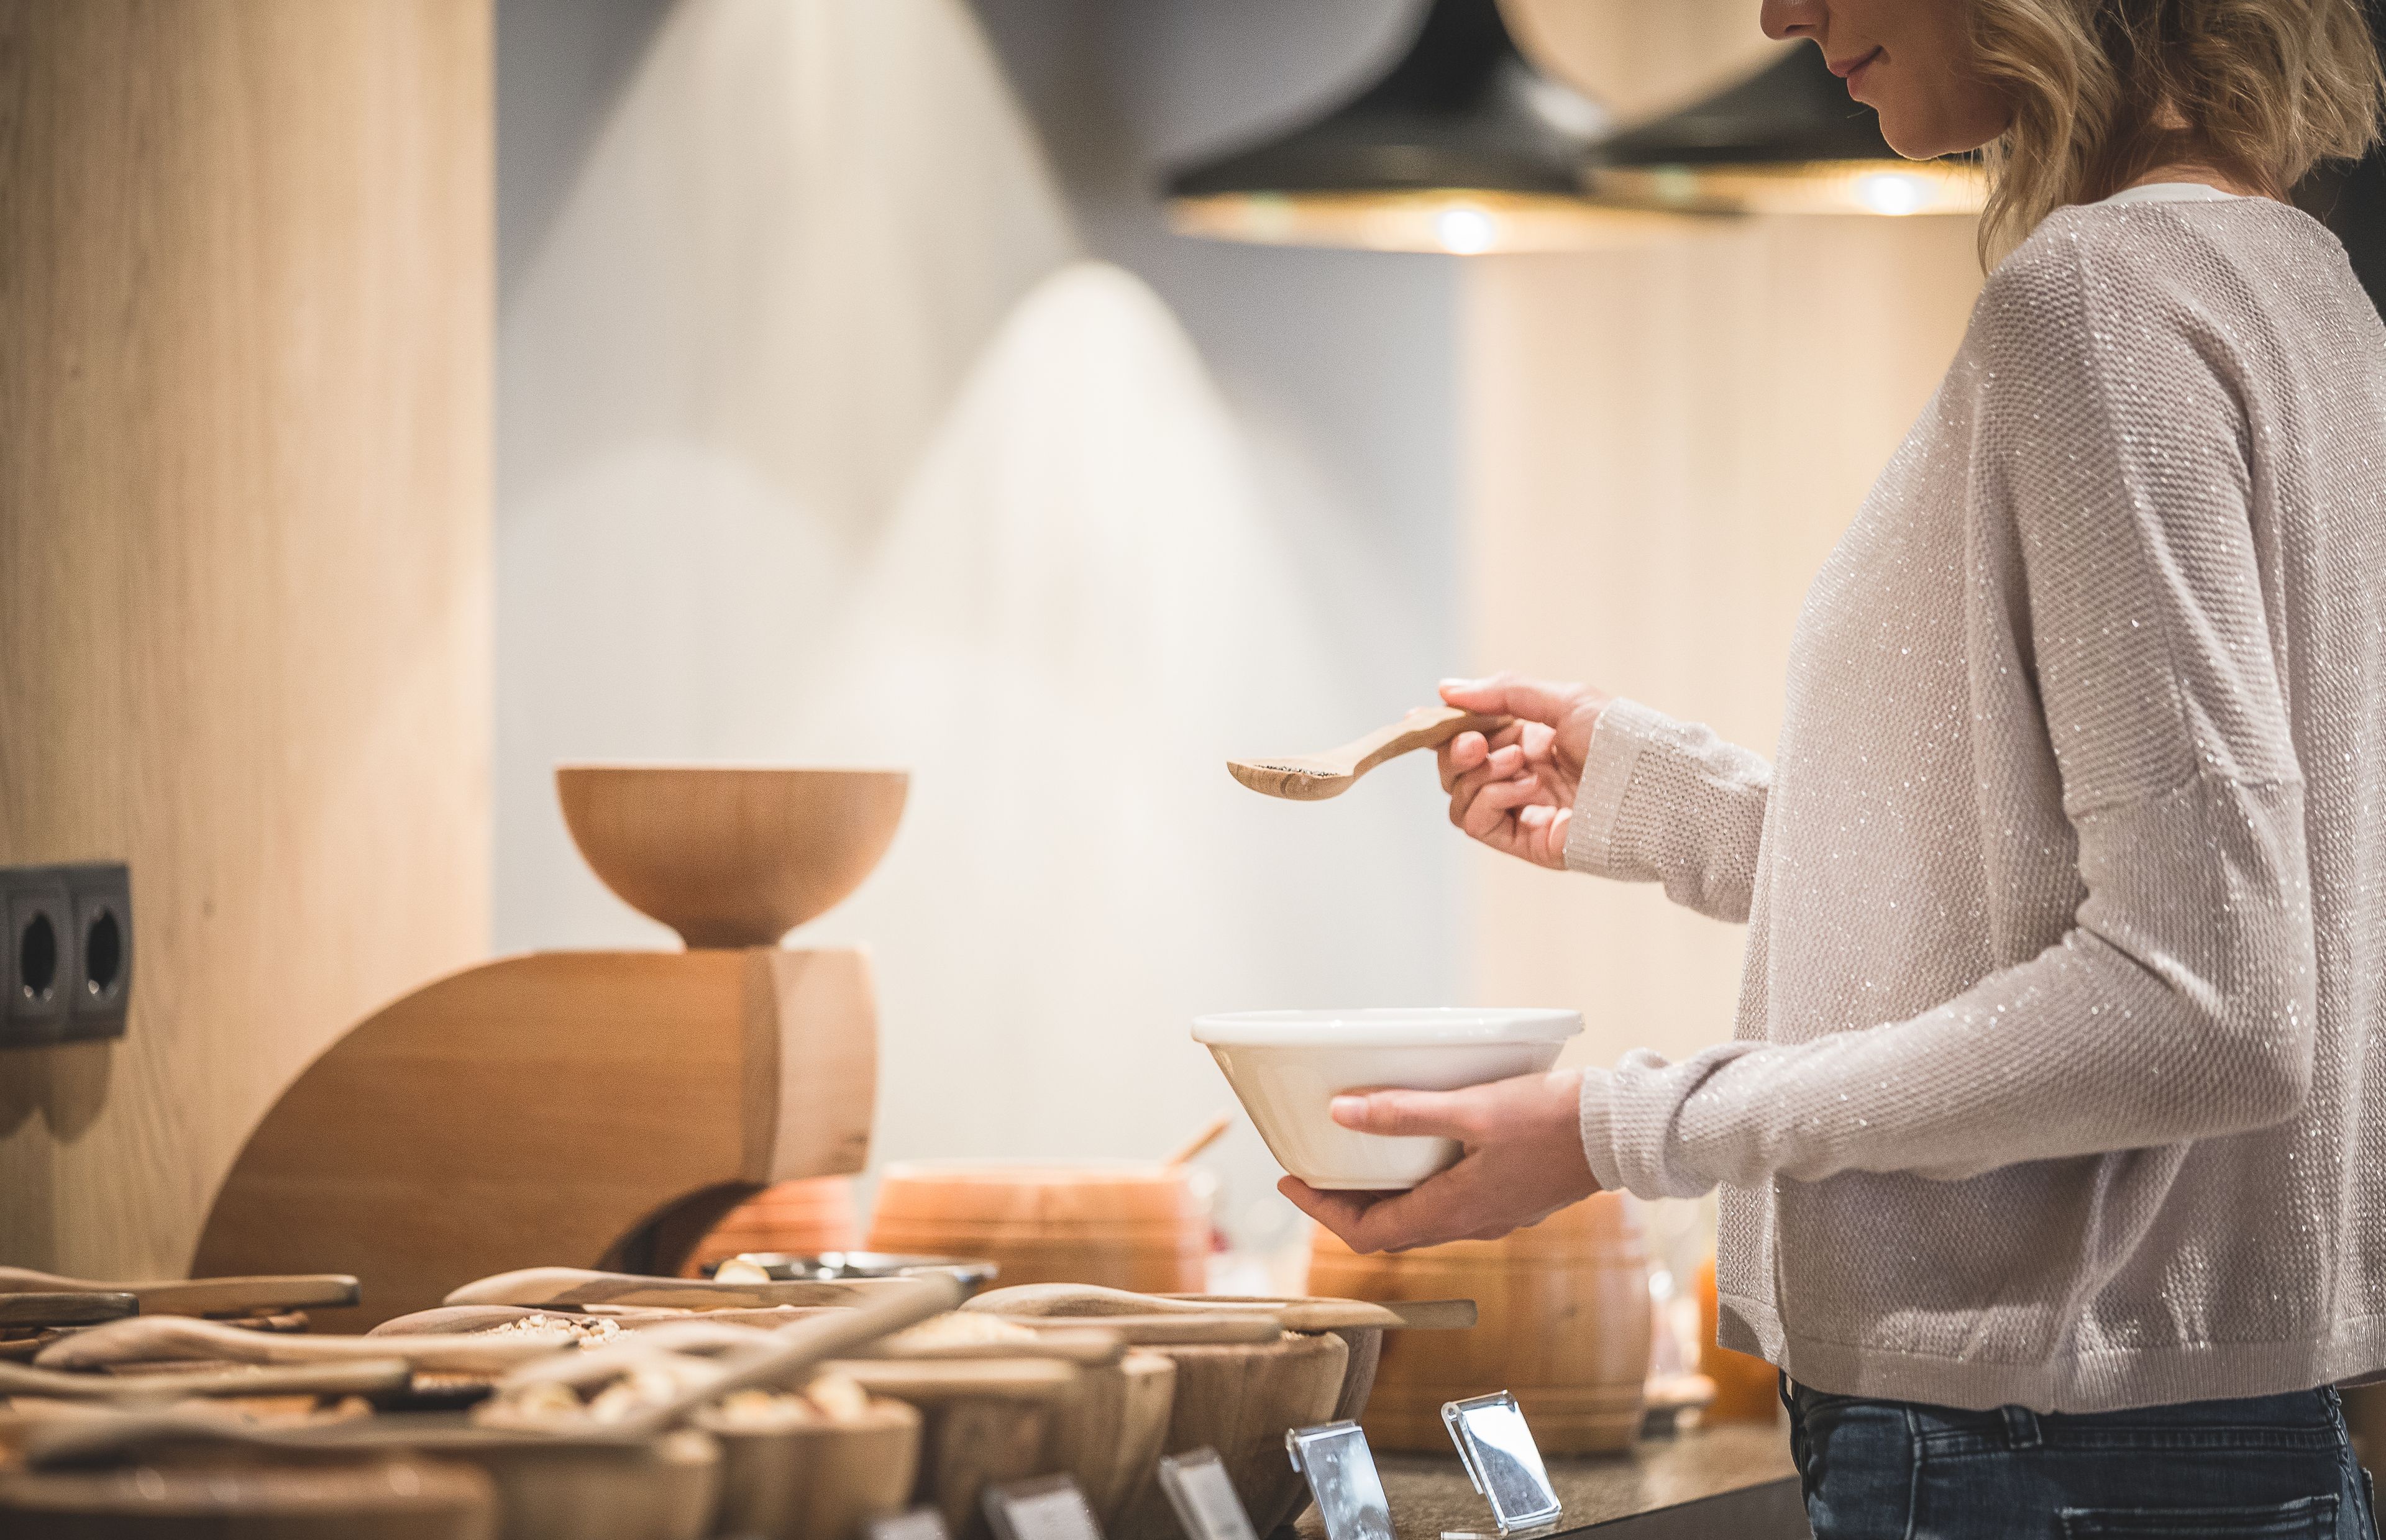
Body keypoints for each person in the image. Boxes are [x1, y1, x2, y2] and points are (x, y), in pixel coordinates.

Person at [1279, 1, 2386, 1533]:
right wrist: (1669, 803)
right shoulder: (2303, 284)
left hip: (2039, 1455)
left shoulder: (2101, 300)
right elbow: (2118, 892)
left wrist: (1616, 1129)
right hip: (2145, 1439)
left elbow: (2204, 1008)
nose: (1777, 13)